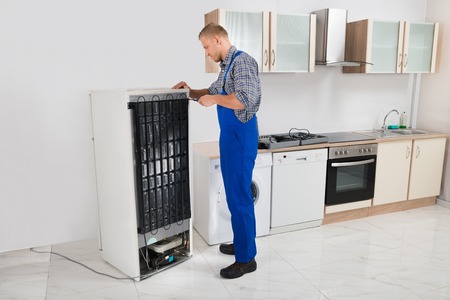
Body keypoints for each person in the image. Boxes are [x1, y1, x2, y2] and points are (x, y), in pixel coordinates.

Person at [173, 23, 261, 279]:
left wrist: (215, 100)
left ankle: (246, 260)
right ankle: (242, 243)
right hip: (230, 137)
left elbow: (245, 98)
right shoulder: (227, 67)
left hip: (241, 135)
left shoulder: (242, 62)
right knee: (234, 195)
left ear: (216, 40)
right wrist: (190, 92)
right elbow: (212, 92)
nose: (206, 53)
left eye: (206, 47)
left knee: (239, 196)